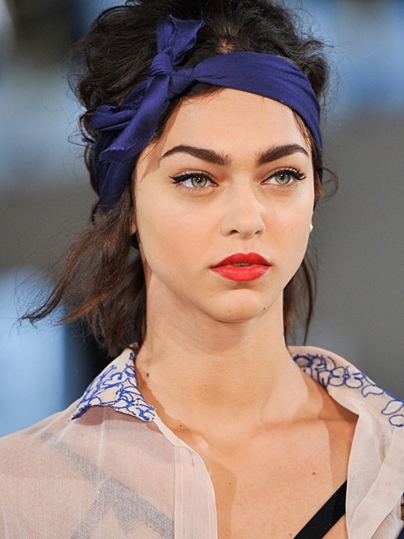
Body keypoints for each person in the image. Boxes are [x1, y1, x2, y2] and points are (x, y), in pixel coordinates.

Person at [0, 0, 404, 537]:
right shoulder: (21, 491)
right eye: (196, 178)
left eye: (282, 175)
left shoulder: (393, 462)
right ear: (129, 208)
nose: (246, 219)